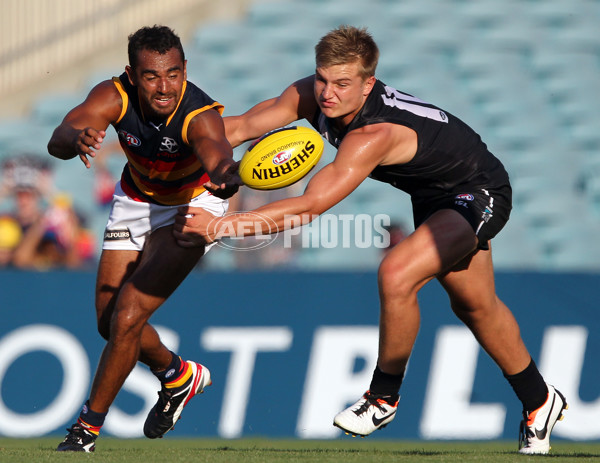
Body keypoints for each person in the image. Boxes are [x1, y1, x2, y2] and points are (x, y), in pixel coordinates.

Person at [174, 26, 567, 454]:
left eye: (342, 84)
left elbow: (308, 208)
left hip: (478, 189)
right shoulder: (312, 93)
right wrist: (169, 147)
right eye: (323, 78)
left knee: (396, 273)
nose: (327, 93)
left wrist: (219, 227)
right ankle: (540, 399)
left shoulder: (372, 135)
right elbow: (242, 126)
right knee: (474, 304)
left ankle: (382, 397)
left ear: (368, 85)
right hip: (434, 194)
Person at [47, 25, 239, 452]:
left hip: (194, 204)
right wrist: (73, 139)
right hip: (135, 198)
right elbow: (59, 136)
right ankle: (177, 375)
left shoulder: (198, 112)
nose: (165, 85)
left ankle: (85, 431)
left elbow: (216, 152)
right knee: (108, 322)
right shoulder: (112, 95)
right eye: (152, 76)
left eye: (173, 73)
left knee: (129, 312)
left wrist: (226, 177)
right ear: (132, 75)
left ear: (185, 69)